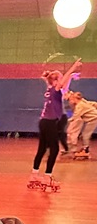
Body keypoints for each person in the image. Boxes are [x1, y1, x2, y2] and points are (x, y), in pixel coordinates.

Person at [29, 58, 81, 191]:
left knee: (42, 149)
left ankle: (34, 175)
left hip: (43, 122)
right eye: (61, 78)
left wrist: (70, 76)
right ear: (57, 80)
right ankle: (47, 176)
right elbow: (63, 85)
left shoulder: (50, 88)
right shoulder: (56, 88)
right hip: (50, 122)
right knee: (55, 149)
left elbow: (64, 87)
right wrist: (73, 67)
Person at [66, 91, 97, 159]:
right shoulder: (82, 102)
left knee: (85, 135)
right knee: (84, 135)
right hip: (92, 119)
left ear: (74, 99)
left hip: (93, 119)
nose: (70, 101)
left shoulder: (80, 106)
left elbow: (76, 116)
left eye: (71, 99)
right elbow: (94, 103)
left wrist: (66, 120)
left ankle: (85, 151)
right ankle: (85, 149)